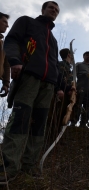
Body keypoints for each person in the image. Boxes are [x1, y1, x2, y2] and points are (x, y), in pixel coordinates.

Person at [0, 1, 60, 183]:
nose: (54, 11)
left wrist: (58, 88)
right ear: (43, 10)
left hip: (48, 85)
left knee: (39, 125)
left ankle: (30, 166)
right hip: (29, 79)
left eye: (57, 10)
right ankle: (8, 168)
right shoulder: (26, 22)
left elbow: (55, 65)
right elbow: (10, 41)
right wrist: (15, 60)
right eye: (51, 8)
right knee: (20, 120)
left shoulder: (54, 40)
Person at [47, 48, 74, 137]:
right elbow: (60, 79)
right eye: (72, 54)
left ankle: (56, 136)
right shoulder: (62, 65)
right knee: (56, 116)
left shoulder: (68, 67)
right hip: (60, 95)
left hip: (65, 95)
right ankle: (52, 136)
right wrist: (68, 88)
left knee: (62, 116)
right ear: (69, 55)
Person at [71, 51, 89, 128]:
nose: (88, 56)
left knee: (87, 107)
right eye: (87, 55)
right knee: (78, 105)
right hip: (81, 87)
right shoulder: (78, 64)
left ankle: (83, 123)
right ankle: (74, 121)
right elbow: (73, 75)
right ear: (83, 56)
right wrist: (74, 86)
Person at [0, 12, 10, 97]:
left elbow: (6, 65)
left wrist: (6, 83)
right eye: (4, 22)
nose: (7, 26)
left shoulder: (3, 44)